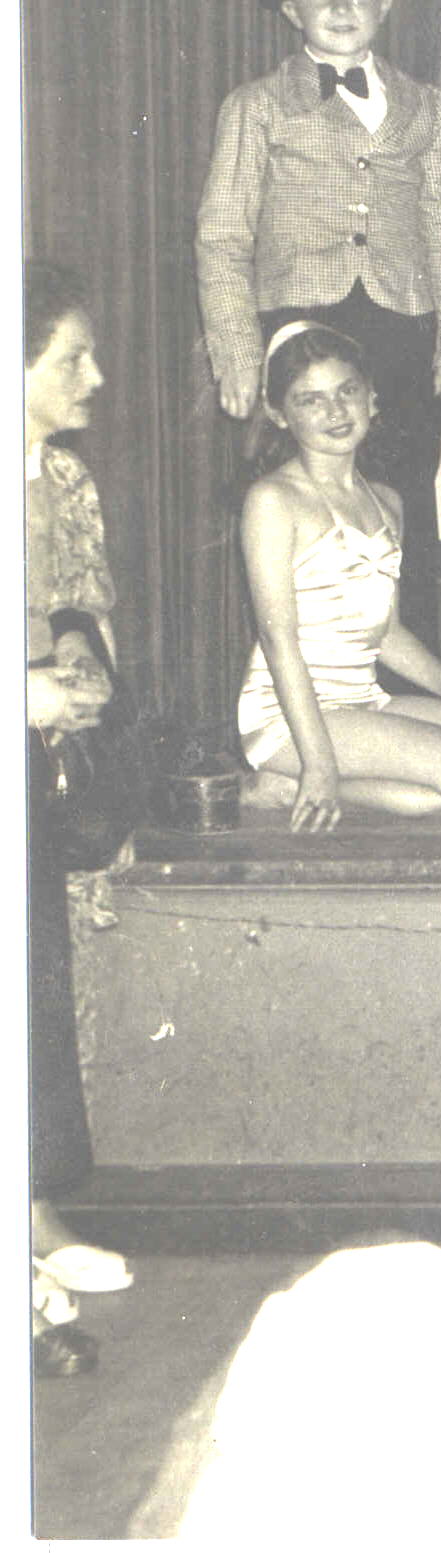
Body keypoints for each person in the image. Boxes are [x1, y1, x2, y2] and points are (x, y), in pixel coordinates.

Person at [197, 0, 441, 644]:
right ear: (292, 10)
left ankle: (412, 694)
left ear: (384, 1)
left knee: (403, 493)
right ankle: (313, 700)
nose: (342, 8)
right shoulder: (256, 107)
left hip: (400, 325)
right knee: (306, 505)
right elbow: (222, 236)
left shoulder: (425, 107)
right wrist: (236, 350)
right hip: (299, 328)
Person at [237, 324, 441, 824]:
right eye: (310, 400)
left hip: (363, 702)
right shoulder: (272, 501)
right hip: (287, 716)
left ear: (371, 397)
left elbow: (384, 632)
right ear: (279, 415)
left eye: (347, 391)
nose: (335, 411)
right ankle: (297, 777)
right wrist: (320, 764)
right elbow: (278, 640)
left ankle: (311, 777)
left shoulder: (386, 502)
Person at [24, 263, 132, 1367]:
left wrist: (76, 666)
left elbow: (80, 605)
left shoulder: (57, 478)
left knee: (32, 991)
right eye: (71, 358)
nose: (95, 375)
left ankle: (34, 1222)